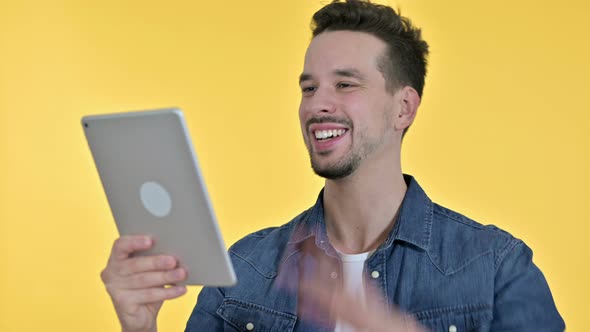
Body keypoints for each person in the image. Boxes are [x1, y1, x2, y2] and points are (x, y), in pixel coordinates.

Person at [100, 1, 565, 331]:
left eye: (345, 85)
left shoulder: (496, 268)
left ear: (404, 108)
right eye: (308, 88)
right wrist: (138, 327)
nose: (317, 104)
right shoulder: (243, 271)